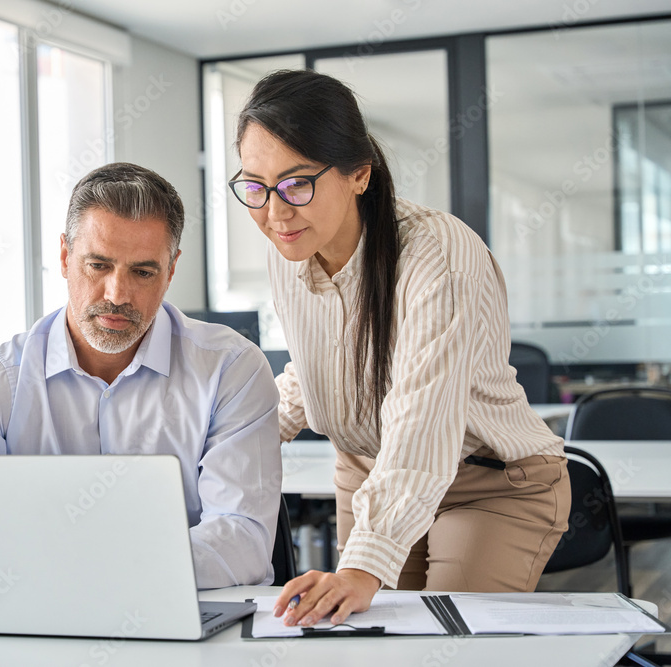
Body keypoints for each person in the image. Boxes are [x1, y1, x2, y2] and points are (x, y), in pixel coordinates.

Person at [228, 69, 570, 627]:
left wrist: (362, 568)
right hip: (369, 470)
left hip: (488, 483)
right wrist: (227, 436)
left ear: (359, 174)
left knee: (441, 646)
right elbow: (314, 371)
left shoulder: (437, 255)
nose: (274, 212)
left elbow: (423, 420)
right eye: (255, 187)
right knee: (367, 641)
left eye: (296, 185)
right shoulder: (290, 245)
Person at [0, 162, 282, 596]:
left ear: (170, 271)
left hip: (181, 619)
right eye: (98, 265)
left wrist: (75, 570)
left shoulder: (230, 369)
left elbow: (243, 539)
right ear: (63, 257)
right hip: (31, 619)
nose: (117, 294)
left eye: (143, 272)